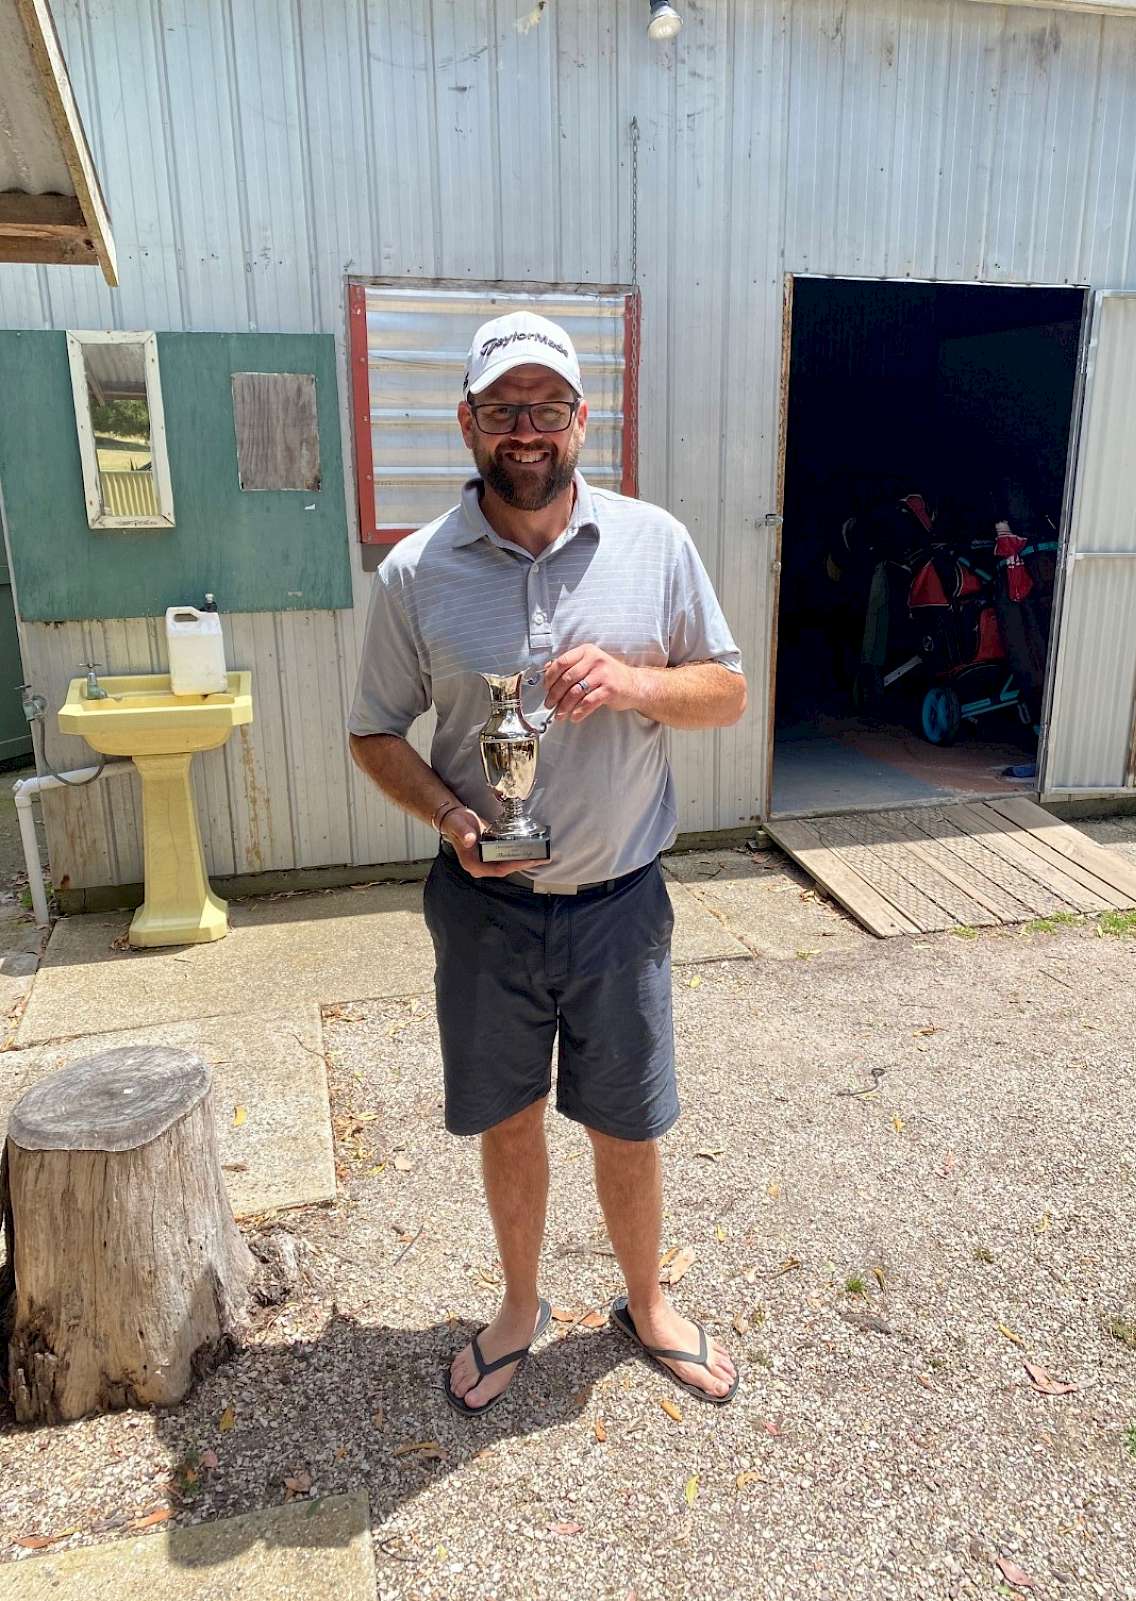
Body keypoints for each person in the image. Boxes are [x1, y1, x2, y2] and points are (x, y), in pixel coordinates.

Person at [348, 310, 746, 1415]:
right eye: (503, 408)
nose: (527, 428)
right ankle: (520, 1305)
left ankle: (646, 1302)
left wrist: (636, 682)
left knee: (628, 1119)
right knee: (509, 1114)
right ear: (467, 422)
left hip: (620, 903)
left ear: (583, 420)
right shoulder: (416, 572)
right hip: (487, 909)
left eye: (548, 407)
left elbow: (726, 688)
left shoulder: (655, 544)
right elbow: (373, 730)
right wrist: (449, 815)